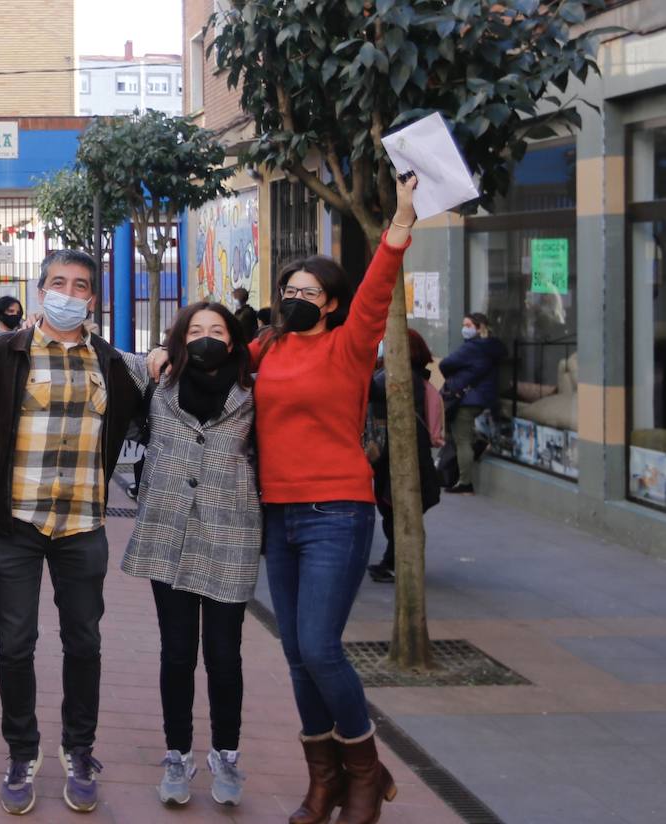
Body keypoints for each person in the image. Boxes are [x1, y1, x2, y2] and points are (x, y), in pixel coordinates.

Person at [249, 170, 417, 824]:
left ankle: (366, 772)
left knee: (320, 646)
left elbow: (377, 288)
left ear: (332, 304)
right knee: (295, 655)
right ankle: (325, 783)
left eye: (307, 292)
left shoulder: (350, 346)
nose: (293, 299)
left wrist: (400, 222)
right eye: (287, 289)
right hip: (278, 514)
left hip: (336, 514)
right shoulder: (270, 348)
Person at [0, 250, 143, 815]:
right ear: (40, 291)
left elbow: (151, 405)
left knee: (84, 642)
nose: (68, 292)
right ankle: (21, 750)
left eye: (80, 285)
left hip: (84, 525)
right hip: (15, 524)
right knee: (15, 644)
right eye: (58, 282)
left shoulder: (111, 364)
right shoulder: (0, 355)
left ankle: (79, 749)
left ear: (92, 299)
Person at [122, 301, 259, 809]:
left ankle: (226, 753)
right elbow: (103, 355)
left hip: (231, 534)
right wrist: (156, 352)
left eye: (216, 330)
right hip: (169, 531)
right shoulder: (157, 381)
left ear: (232, 338)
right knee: (177, 653)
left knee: (224, 656)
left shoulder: (254, 390)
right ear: (179, 338)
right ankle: (177, 754)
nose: (206, 337)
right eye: (195, 329)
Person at [365, 330, 445, 584]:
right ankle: (395, 561)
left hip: (398, 456)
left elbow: (372, 393)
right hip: (400, 455)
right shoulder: (416, 378)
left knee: (397, 512)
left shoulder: (399, 378)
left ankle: (398, 563)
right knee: (398, 512)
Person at [439, 313, 506, 494]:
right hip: (483, 397)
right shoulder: (492, 347)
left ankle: (465, 483)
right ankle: (480, 443)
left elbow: (445, 364)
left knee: (462, 441)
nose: (464, 329)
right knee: (462, 435)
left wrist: (456, 377)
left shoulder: (472, 348)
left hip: (466, 399)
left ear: (479, 328)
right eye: (463, 325)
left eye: (468, 325)